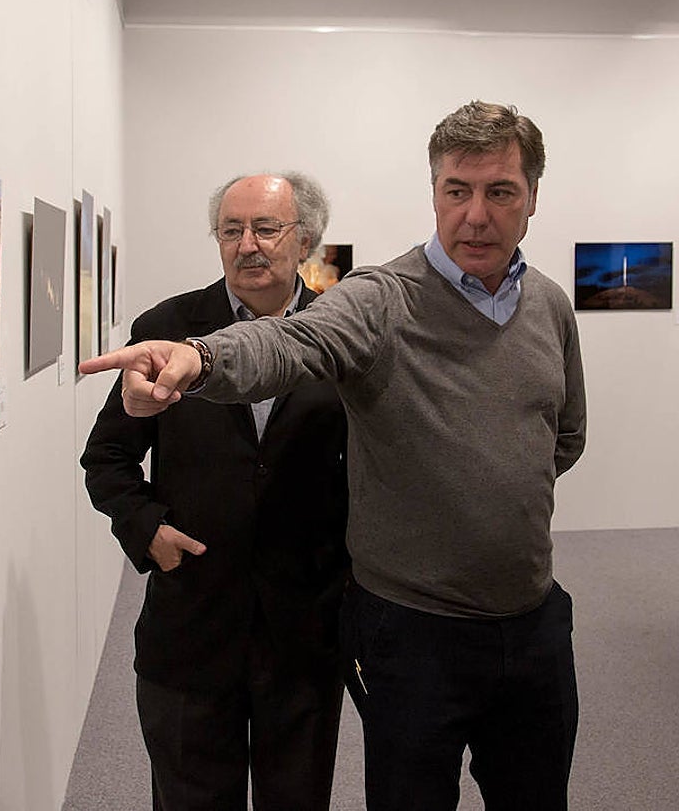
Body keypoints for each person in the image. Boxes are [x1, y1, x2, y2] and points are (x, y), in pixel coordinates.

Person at [80, 101, 586, 811]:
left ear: (532, 199)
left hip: (342, 619)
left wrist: (483, 498)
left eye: (500, 191)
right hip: (236, 616)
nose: (476, 213)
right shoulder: (367, 306)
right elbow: (283, 347)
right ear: (434, 193)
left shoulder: (552, 308)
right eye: (456, 190)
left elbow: (562, 438)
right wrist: (196, 359)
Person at [81, 172, 350, 810]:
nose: (247, 245)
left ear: (305, 239)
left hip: (304, 627)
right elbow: (108, 456)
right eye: (231, 230)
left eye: (265, 228)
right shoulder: (169, 326)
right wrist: (145, 529)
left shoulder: (343, 334)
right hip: (192, 625)